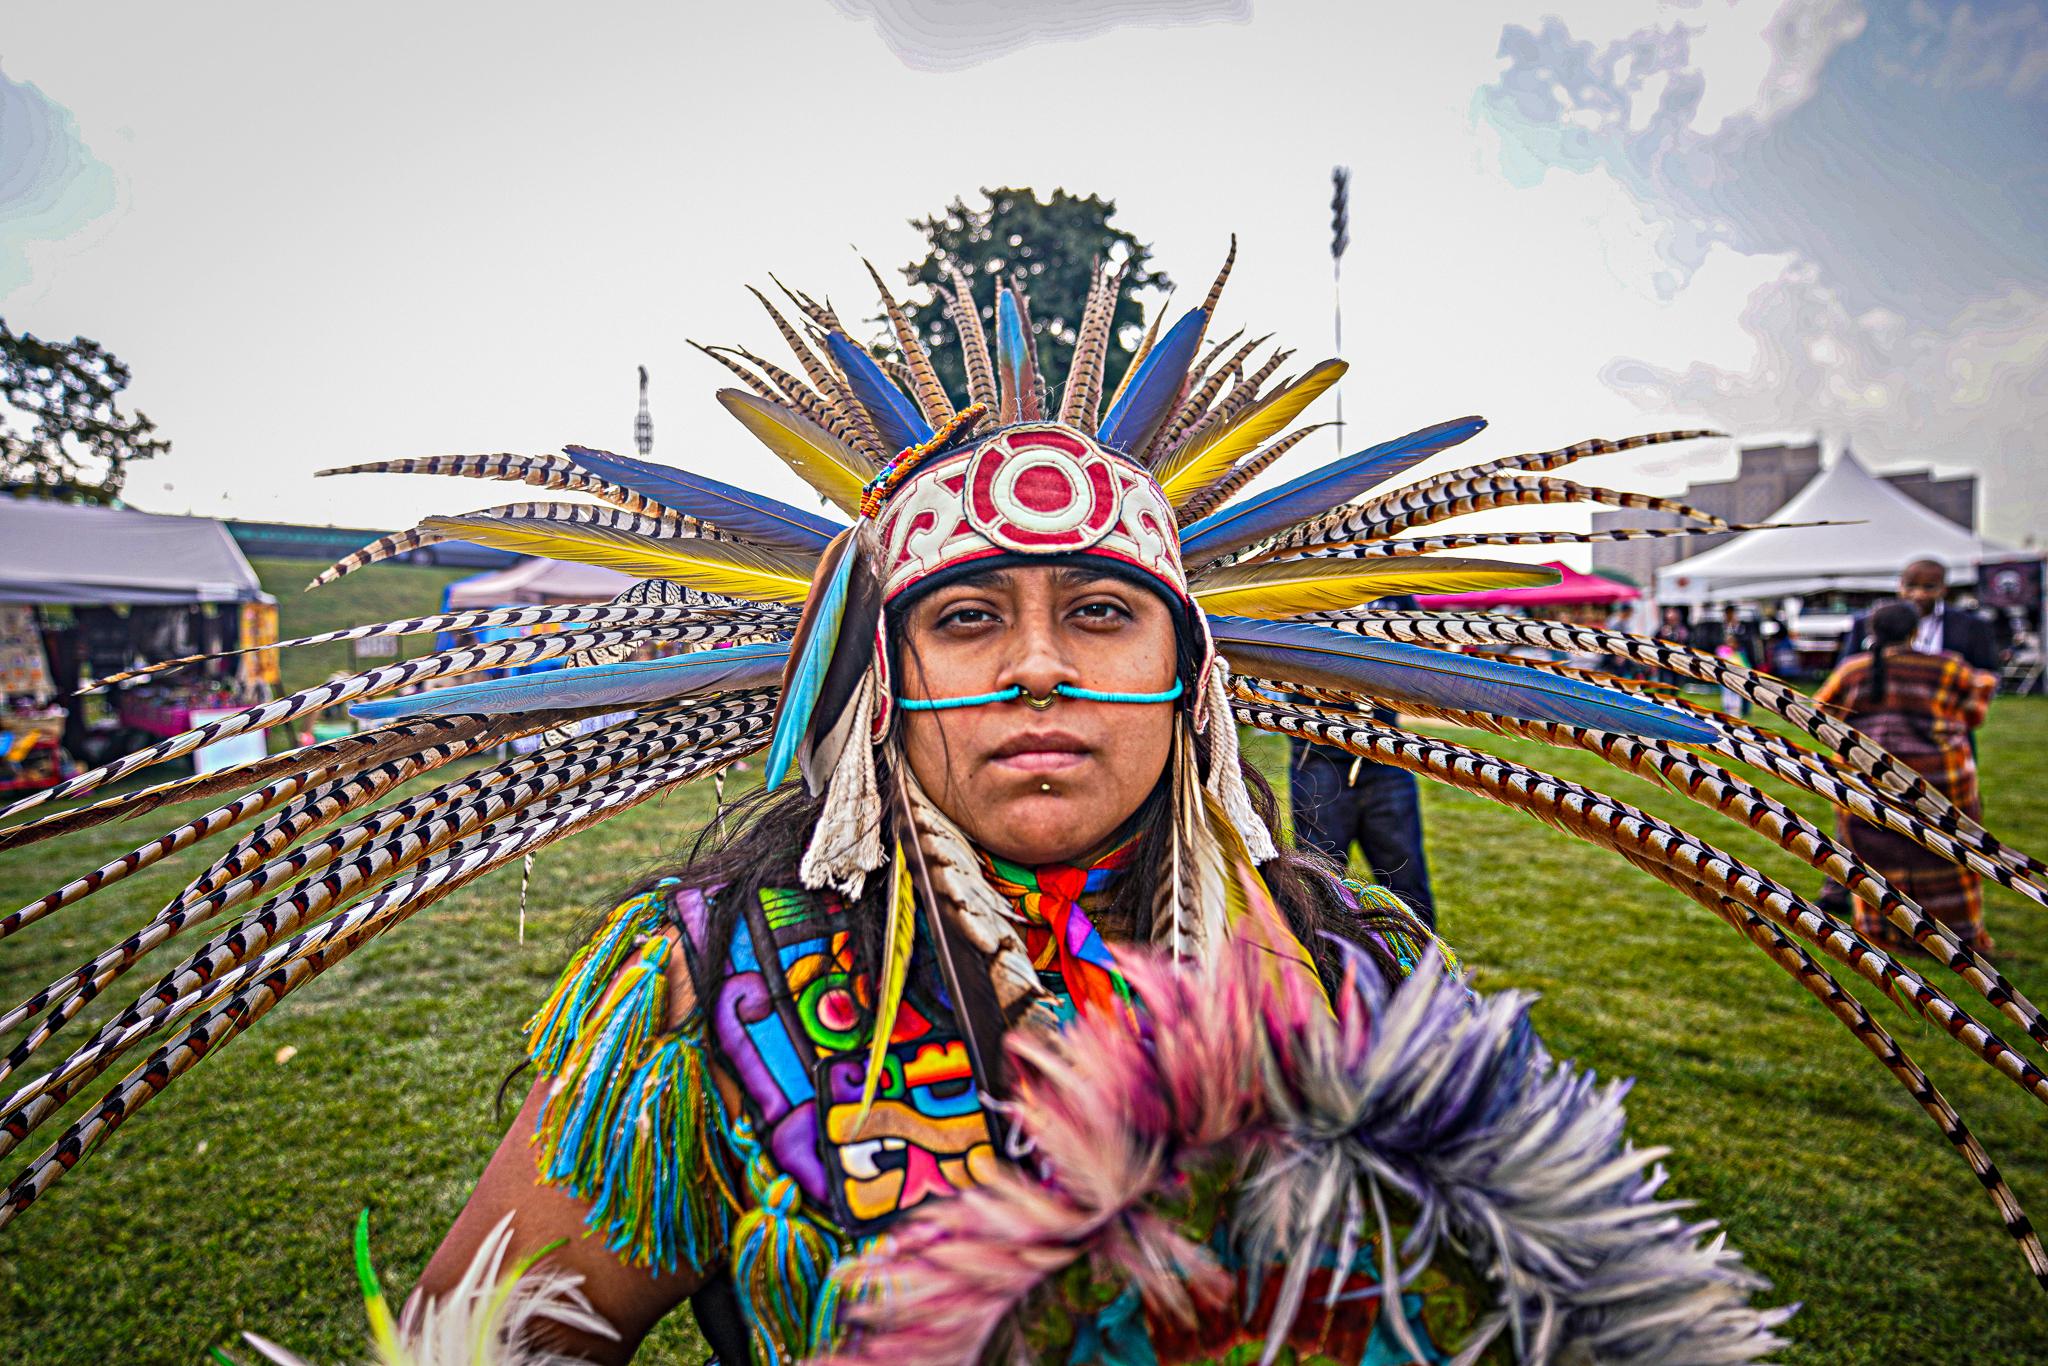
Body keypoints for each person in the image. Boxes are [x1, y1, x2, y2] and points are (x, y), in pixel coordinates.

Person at [2, 244, 2040, 1363]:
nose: (1041, 661)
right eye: (967, 616)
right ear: (880, 686)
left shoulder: (1347, 966)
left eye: (1095, 610)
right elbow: (492, 1336)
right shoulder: (711, 987)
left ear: (1193, 679)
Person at [1814, 600, 1999, 955]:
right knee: (1947, 854)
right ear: (1915, 632)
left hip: (1869, 778)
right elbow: (1974, 710)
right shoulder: (1946, 666)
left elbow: (1819, 716)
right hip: (1939, 779)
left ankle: (1883, 930)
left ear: (1871, 632)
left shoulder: (1853, 670)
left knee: (1876, 857)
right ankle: (1957, 935)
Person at [1288, 595, 1435, 928]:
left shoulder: (1393, 590)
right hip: (1319, 758)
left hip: (1385, 756)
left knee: (1407, 881)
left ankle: (1427, 972)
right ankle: (1324, 971)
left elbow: (1422, 647)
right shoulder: (1307, 580)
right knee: (1320, 885)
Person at [1837, 559, 2001, 674]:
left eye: (1928, 587)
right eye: (1911, 586)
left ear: (1944, 588)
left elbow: (1986, 676)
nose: (1918, 594)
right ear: (1900, 586)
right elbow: (1845, 670)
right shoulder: (1868, 621)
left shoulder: (1972, 625)